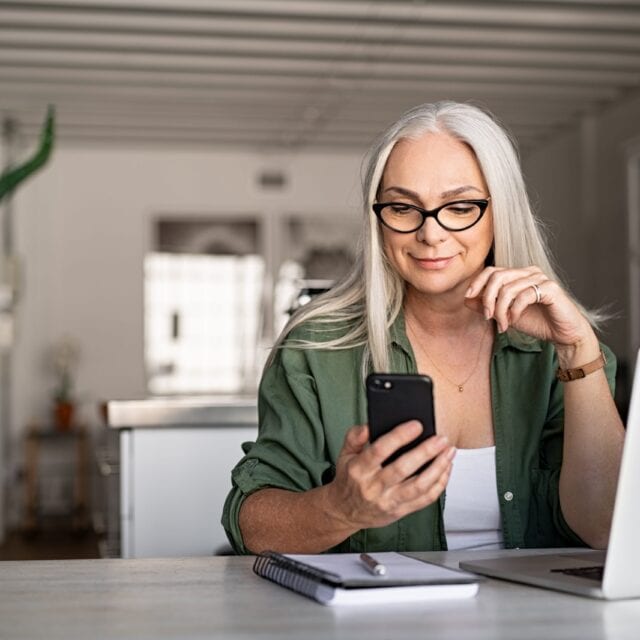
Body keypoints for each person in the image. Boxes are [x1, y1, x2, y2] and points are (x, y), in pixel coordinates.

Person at [222, 101, 625, 555]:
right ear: (379, 219)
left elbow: (607, 528)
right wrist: (341, 508)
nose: (430, 234)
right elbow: (251, 526)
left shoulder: (564, 353)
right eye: (402, 207)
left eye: (459, 207)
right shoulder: (316, 347)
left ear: (500, 212)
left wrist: (578, 352)